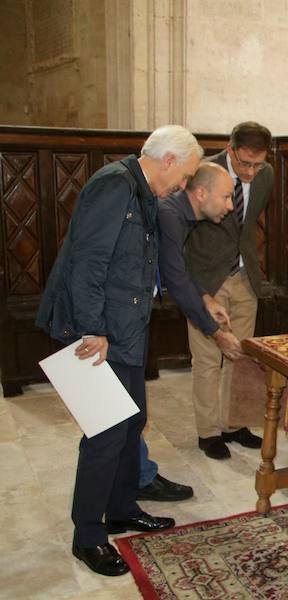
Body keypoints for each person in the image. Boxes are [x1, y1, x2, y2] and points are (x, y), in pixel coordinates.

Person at [35, 125, 203, 576]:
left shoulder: (140, 189)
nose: (184, 186)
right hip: (102, 333)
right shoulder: (115, 184)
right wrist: (92, 329)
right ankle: (88, 535)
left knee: (131, 423)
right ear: (168, 161)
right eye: (185, 176)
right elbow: (88, 262)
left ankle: (122, 507)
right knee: (105, 434)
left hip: (126, 330)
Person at [183, 122, 274, 460]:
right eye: (244, 163)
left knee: (240, 355)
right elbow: (184, 231)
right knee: (207, 359)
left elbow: (247, 227)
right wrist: (194, 286)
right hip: (207, 278)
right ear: (230, 149)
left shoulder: (266, 176)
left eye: (258, 164)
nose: (250, 173)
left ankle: (233, 423)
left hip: (245, 276)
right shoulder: (201, 173)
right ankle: (208, 432)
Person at [158, 163, 243, 364]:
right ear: (202, 193)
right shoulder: (170, 216)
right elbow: (176, 280)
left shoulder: (179, 215)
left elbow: (180, 269)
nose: (230, 206)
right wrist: (217, 334)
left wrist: (206, 299)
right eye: (226, 197)